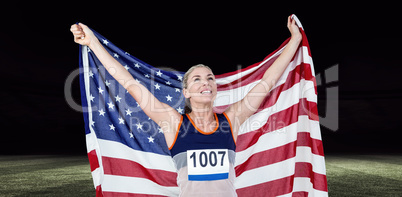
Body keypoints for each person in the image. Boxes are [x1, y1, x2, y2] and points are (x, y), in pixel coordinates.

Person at [70, 16, 301, 197]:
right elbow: (129, 83)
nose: (206, 83)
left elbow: (267, 82)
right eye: (197, 79)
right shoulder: (172, 122)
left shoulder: (231, 120)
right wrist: (93, 43)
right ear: (186, 92)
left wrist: (295, 41)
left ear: (215, 89)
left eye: (210, 78)